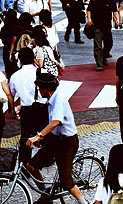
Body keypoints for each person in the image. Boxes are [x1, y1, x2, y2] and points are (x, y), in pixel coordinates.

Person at [25, 71, 83, 201]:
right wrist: (43, 137)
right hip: (55, 139)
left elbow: (56, 121)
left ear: (45, 89)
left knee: (66, 182)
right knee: (31, 165)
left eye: (40, 88)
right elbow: (52, 125)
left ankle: (84, 202)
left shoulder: (58, 100)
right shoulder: (50, 99)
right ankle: (45, 193)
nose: (39, 90)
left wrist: (39, 136)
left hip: (68, 142)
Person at [87, 0, 120, 71]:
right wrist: (89, 20)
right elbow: (89, 10)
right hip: (96, 26)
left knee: (109, 43)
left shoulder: (111, 1)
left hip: (107, 26)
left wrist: (117, 20)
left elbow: (115, 11)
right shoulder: (94, 0)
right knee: (98, 46)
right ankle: (99, 63)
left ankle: (104, 55)